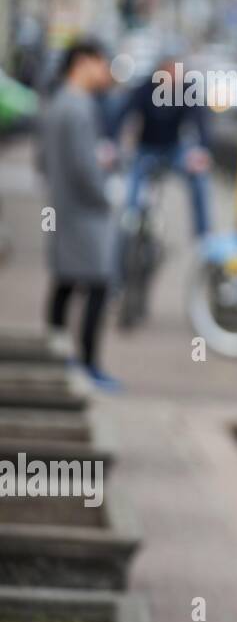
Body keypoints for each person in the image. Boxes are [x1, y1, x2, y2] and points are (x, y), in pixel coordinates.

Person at [36, 38, 122, 392]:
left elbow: (42, 160)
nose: (105, 72)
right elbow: (86, 168)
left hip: (63, 207)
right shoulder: (78, 106)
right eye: (102, 63)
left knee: (65, 284)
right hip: (85, 214)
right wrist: (105, 195)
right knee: (98, 285)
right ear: (83, 62)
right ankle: (87, 364)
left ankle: (55, 357)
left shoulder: (56, 103)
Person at [108, 56, 213, 240]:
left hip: (174, 149)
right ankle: (128, 228)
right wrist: (111, 143)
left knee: (199, 178)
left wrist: (202, 150)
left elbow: (201, 119)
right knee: (133, 184)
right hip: (146, 148)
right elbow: (121, 114)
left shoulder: (186, 90)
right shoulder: (144, 89)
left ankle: (203, 235)